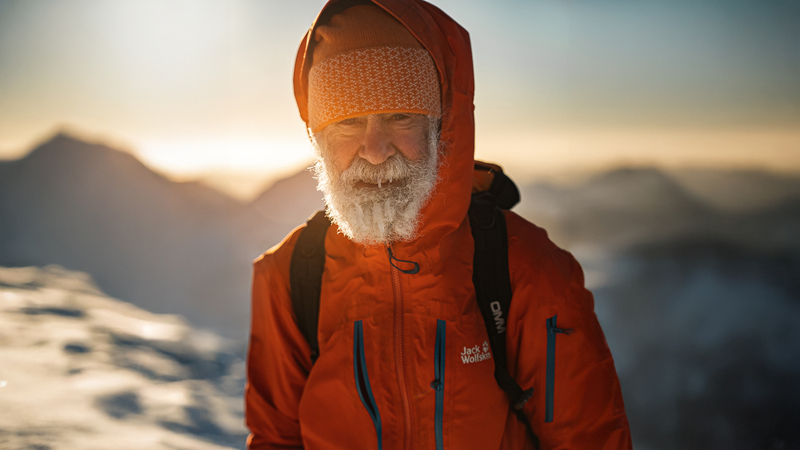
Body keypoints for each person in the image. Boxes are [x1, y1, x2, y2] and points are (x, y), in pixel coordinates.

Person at [245, 1, 633, 449]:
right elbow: (275, 440)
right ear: (320, 137)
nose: (374, 149)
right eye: (349, 121)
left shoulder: (529, 272)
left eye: (400, 115)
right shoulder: (291, 278)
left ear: (442, 123)